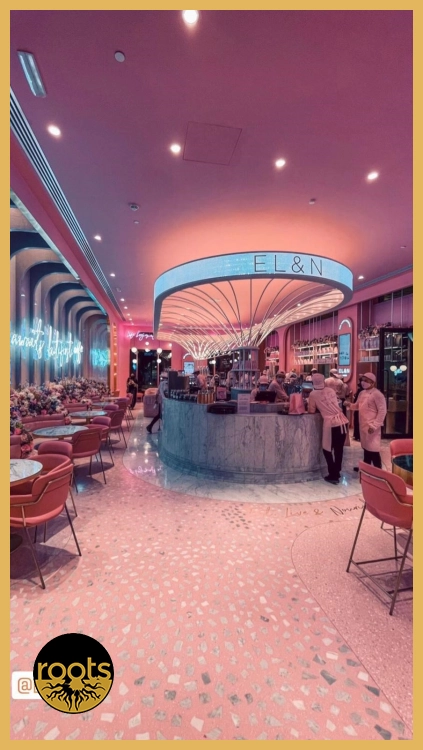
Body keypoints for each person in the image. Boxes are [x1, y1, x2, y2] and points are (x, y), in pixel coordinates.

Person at [308, 372, 350, 484]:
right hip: (342, 421)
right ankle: (337, 471)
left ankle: (333, 474)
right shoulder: (330, 390)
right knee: (339, 449)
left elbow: (311, 410)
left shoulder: (313, 394)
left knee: (327, 449)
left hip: (331, 424)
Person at [345, 372, 387, 468]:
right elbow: (357, 406)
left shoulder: (377, 394)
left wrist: (375, 425)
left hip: (372, 426)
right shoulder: (362, 393)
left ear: (372, 382)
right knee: (366, 448)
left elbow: (382, 411)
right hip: (363, 425)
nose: (363, 382)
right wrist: (349, 405)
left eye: (366, 381)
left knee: (373, 450)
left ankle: (378, 471)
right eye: (362, 380)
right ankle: (366, 467)